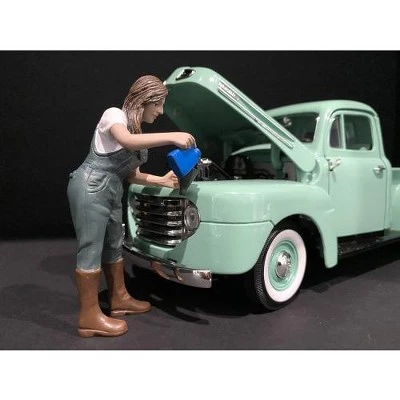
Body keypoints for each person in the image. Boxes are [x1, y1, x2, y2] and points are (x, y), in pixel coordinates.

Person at [67, 75, 196, 338]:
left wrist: (162, 180)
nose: (160, 111)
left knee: (114, 244)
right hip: (91, 187)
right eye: (158, 104)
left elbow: (132, 175)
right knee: (91, 248)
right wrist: (173, 136)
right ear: (144, 100)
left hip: (112, 190)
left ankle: (119, 298)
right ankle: (89, 317)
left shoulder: (135, 132)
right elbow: (126, 141)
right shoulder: (114, 116)